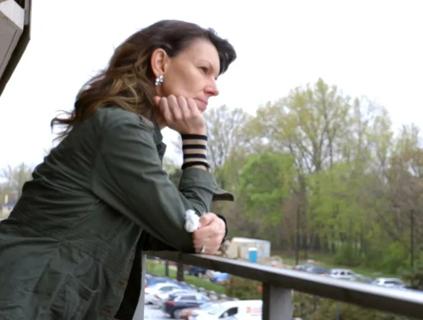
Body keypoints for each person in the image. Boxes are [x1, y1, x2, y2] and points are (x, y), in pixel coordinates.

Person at [0, 19, 236, 319]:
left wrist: (216, 226)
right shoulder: (121, 130)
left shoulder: (131, 131)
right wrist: (194, 140)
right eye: (204, 70)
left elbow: (146, 229)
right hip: (23, 300)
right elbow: (182, 230)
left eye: (217, 77)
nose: (213, 89)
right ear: (160, 62)